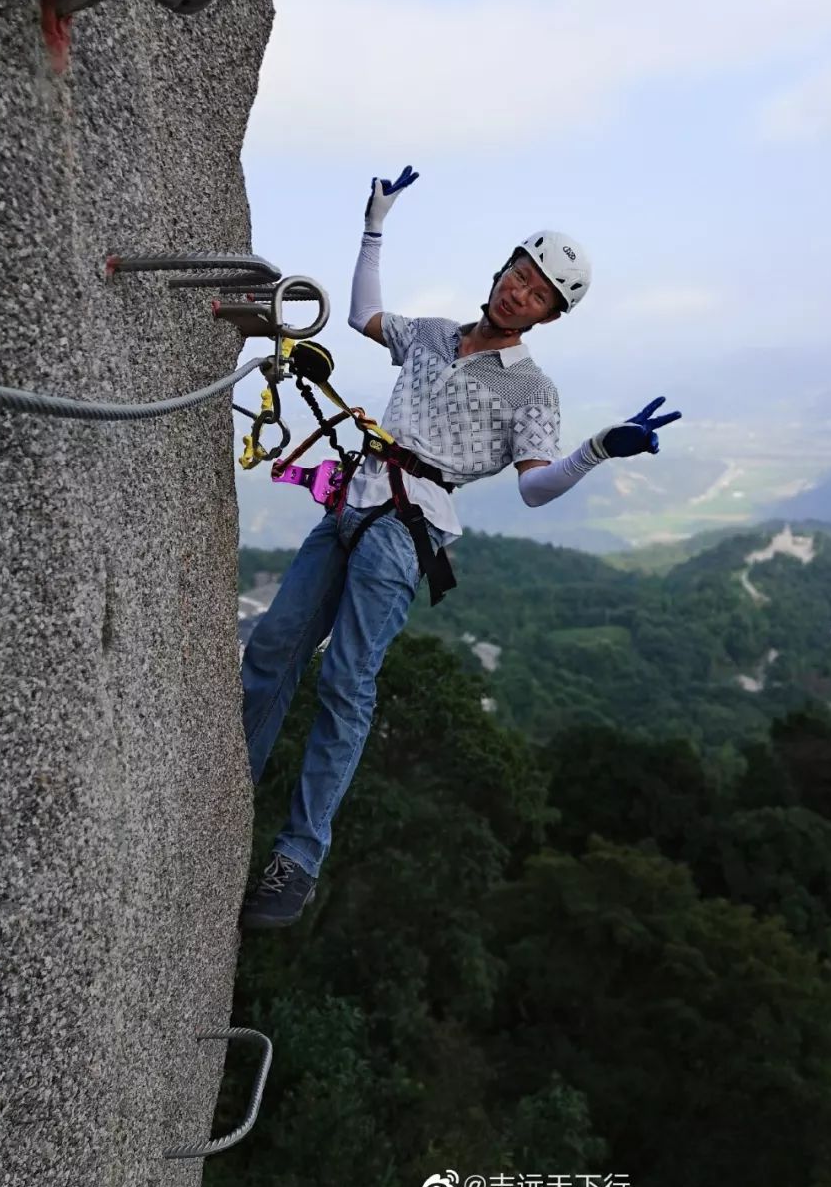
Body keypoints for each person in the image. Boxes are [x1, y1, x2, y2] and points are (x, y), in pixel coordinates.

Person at [238, 167, 682, 929]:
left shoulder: (532, 391)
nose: (520, 291)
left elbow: (534, 487)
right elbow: (364, 315)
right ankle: (228, 782)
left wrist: (600, 448)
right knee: (273, 645)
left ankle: (299, 858)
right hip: (352, 500)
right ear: (503, 269)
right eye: (520, 273)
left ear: (548, 315)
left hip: (408, 530)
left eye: (539, 292)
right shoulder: (436, 335)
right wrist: (374, 226)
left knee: (347, 683)